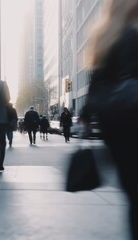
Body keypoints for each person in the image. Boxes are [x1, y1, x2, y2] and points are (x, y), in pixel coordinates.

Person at [82, 0, 138, 238]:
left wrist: (86, 117)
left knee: (132, 189)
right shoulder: (133, 36)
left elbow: (94, 85)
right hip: (134, 119)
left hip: (114, 126)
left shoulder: (103, 38)